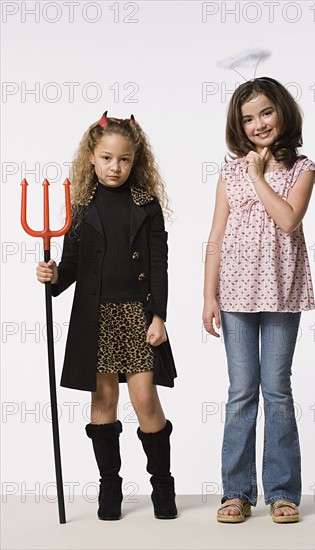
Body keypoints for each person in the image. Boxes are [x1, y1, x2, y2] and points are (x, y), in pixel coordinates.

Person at [36, 111, 177, 521]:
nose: (115, 167)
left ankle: (162, 484)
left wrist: (159, 316)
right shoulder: (78, 207)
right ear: (91, 158)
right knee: (103, 399)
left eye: (124, 160)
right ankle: (109, 487)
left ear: (137, 161)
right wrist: (53, 276)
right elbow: (72, 267)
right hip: (95, 317)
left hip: (137, 315)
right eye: (106, 158)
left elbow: (159, 263)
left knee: (145, 398)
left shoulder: (146, 206)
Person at [202, 77, 315, 524]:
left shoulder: (302, 168)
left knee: (277, 390)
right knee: (240, 392)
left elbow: (288, 220)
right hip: (234, 293)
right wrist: (207, 294)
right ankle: (236, 492)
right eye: (248, 118)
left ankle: (283, 492)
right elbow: (215, 237)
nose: (258, 124)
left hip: (281, 293)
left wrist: (258, 175)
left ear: (282, 112)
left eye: (265, 113)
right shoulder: (229, 172)